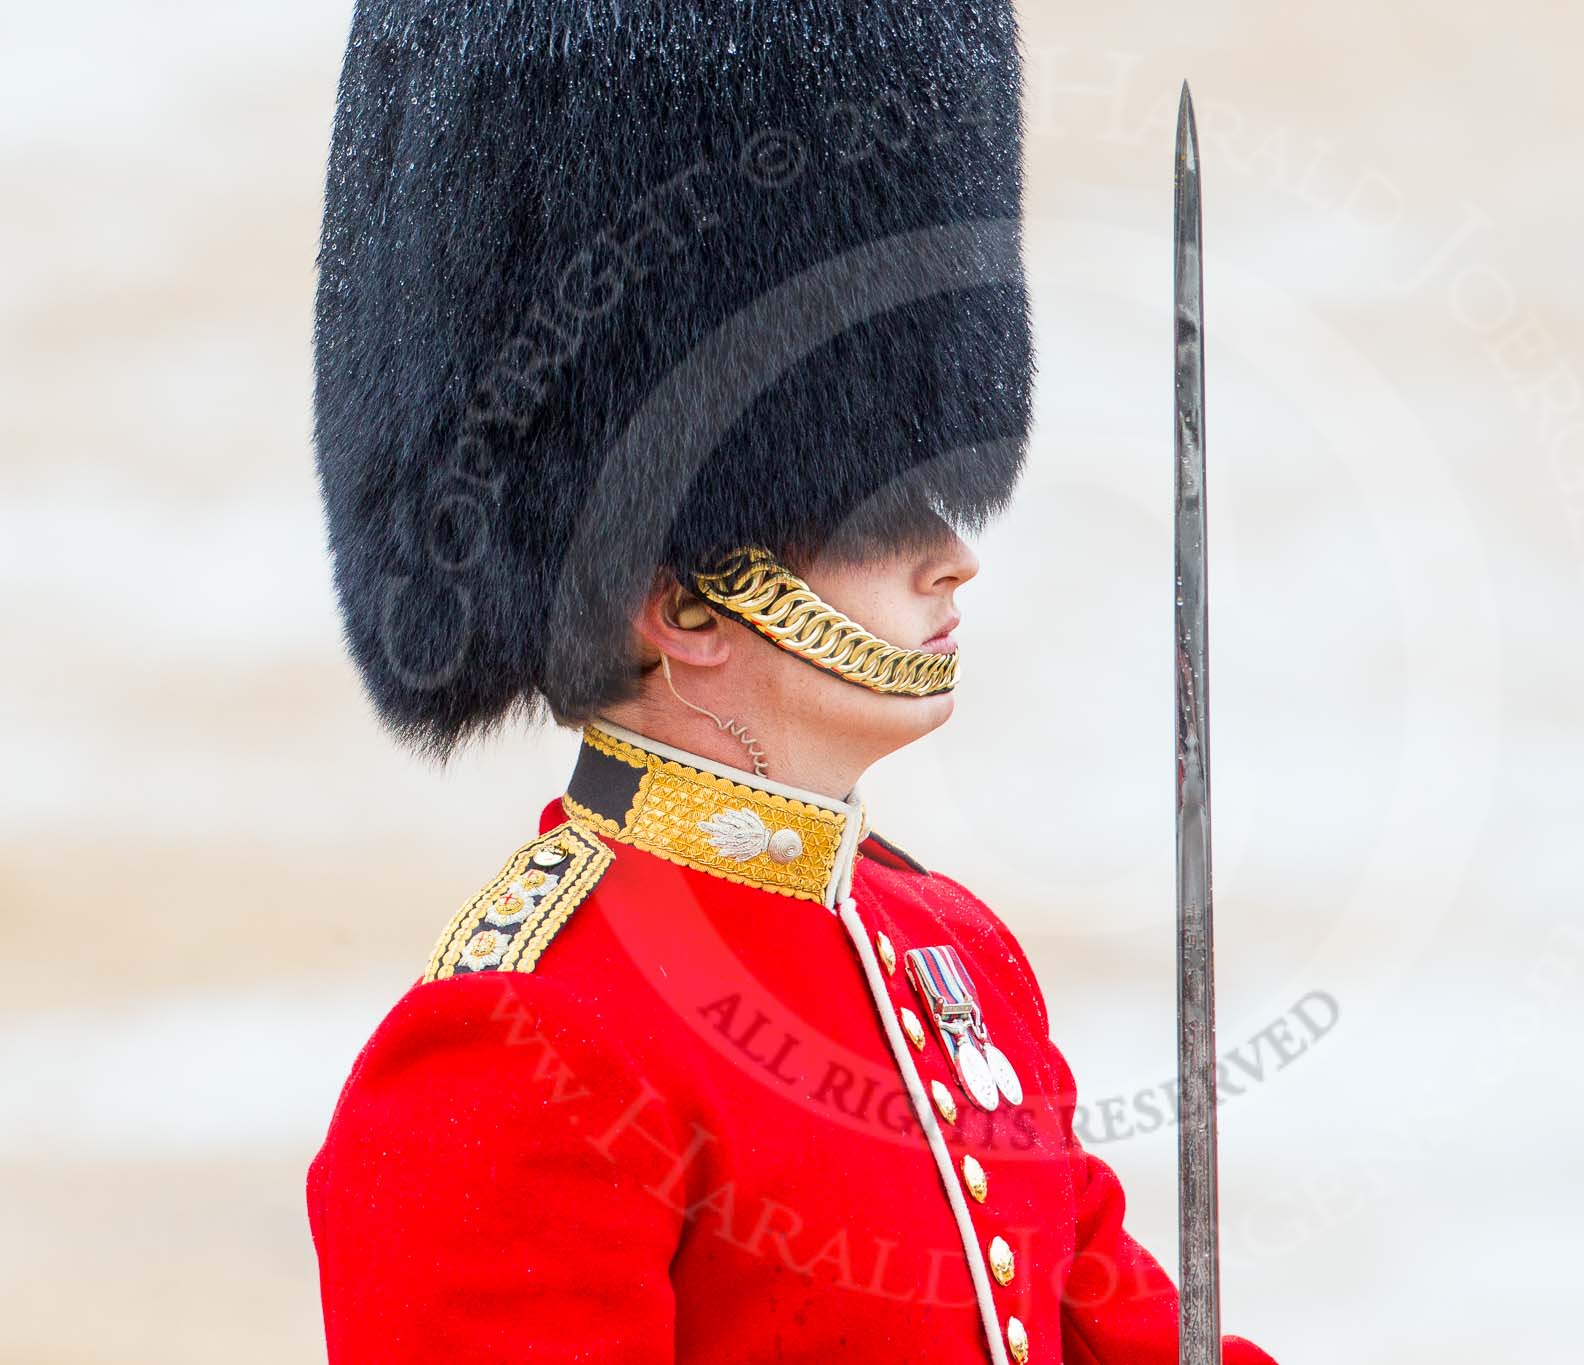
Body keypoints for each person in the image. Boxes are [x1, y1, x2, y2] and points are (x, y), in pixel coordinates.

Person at [304, 3, 1277, 1362]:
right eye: (873, 511)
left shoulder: (953, 955)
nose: (950, 559)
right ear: (685, 597)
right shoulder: (520, 1049)